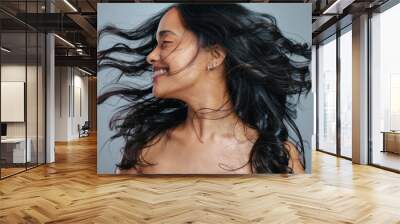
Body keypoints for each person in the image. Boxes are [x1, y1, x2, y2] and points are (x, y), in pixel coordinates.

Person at [97, 3, 311, 174]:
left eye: (166, 42)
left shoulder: (278, 156)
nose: (151, 56)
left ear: (215, 55)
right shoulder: (145, 148)